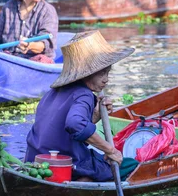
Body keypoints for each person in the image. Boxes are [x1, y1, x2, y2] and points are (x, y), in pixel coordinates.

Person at [24, 30, 140, 181]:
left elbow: (66, 132)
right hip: (64, 163)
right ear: (86, 73)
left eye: (107, 73)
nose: (106, 80)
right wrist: (110, 150)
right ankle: (84, 180)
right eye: (101, 73)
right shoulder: (84, 94)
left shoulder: (51, 93)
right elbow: (75, 124)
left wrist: (96, 115)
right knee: (131, 164)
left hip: (36, 162)